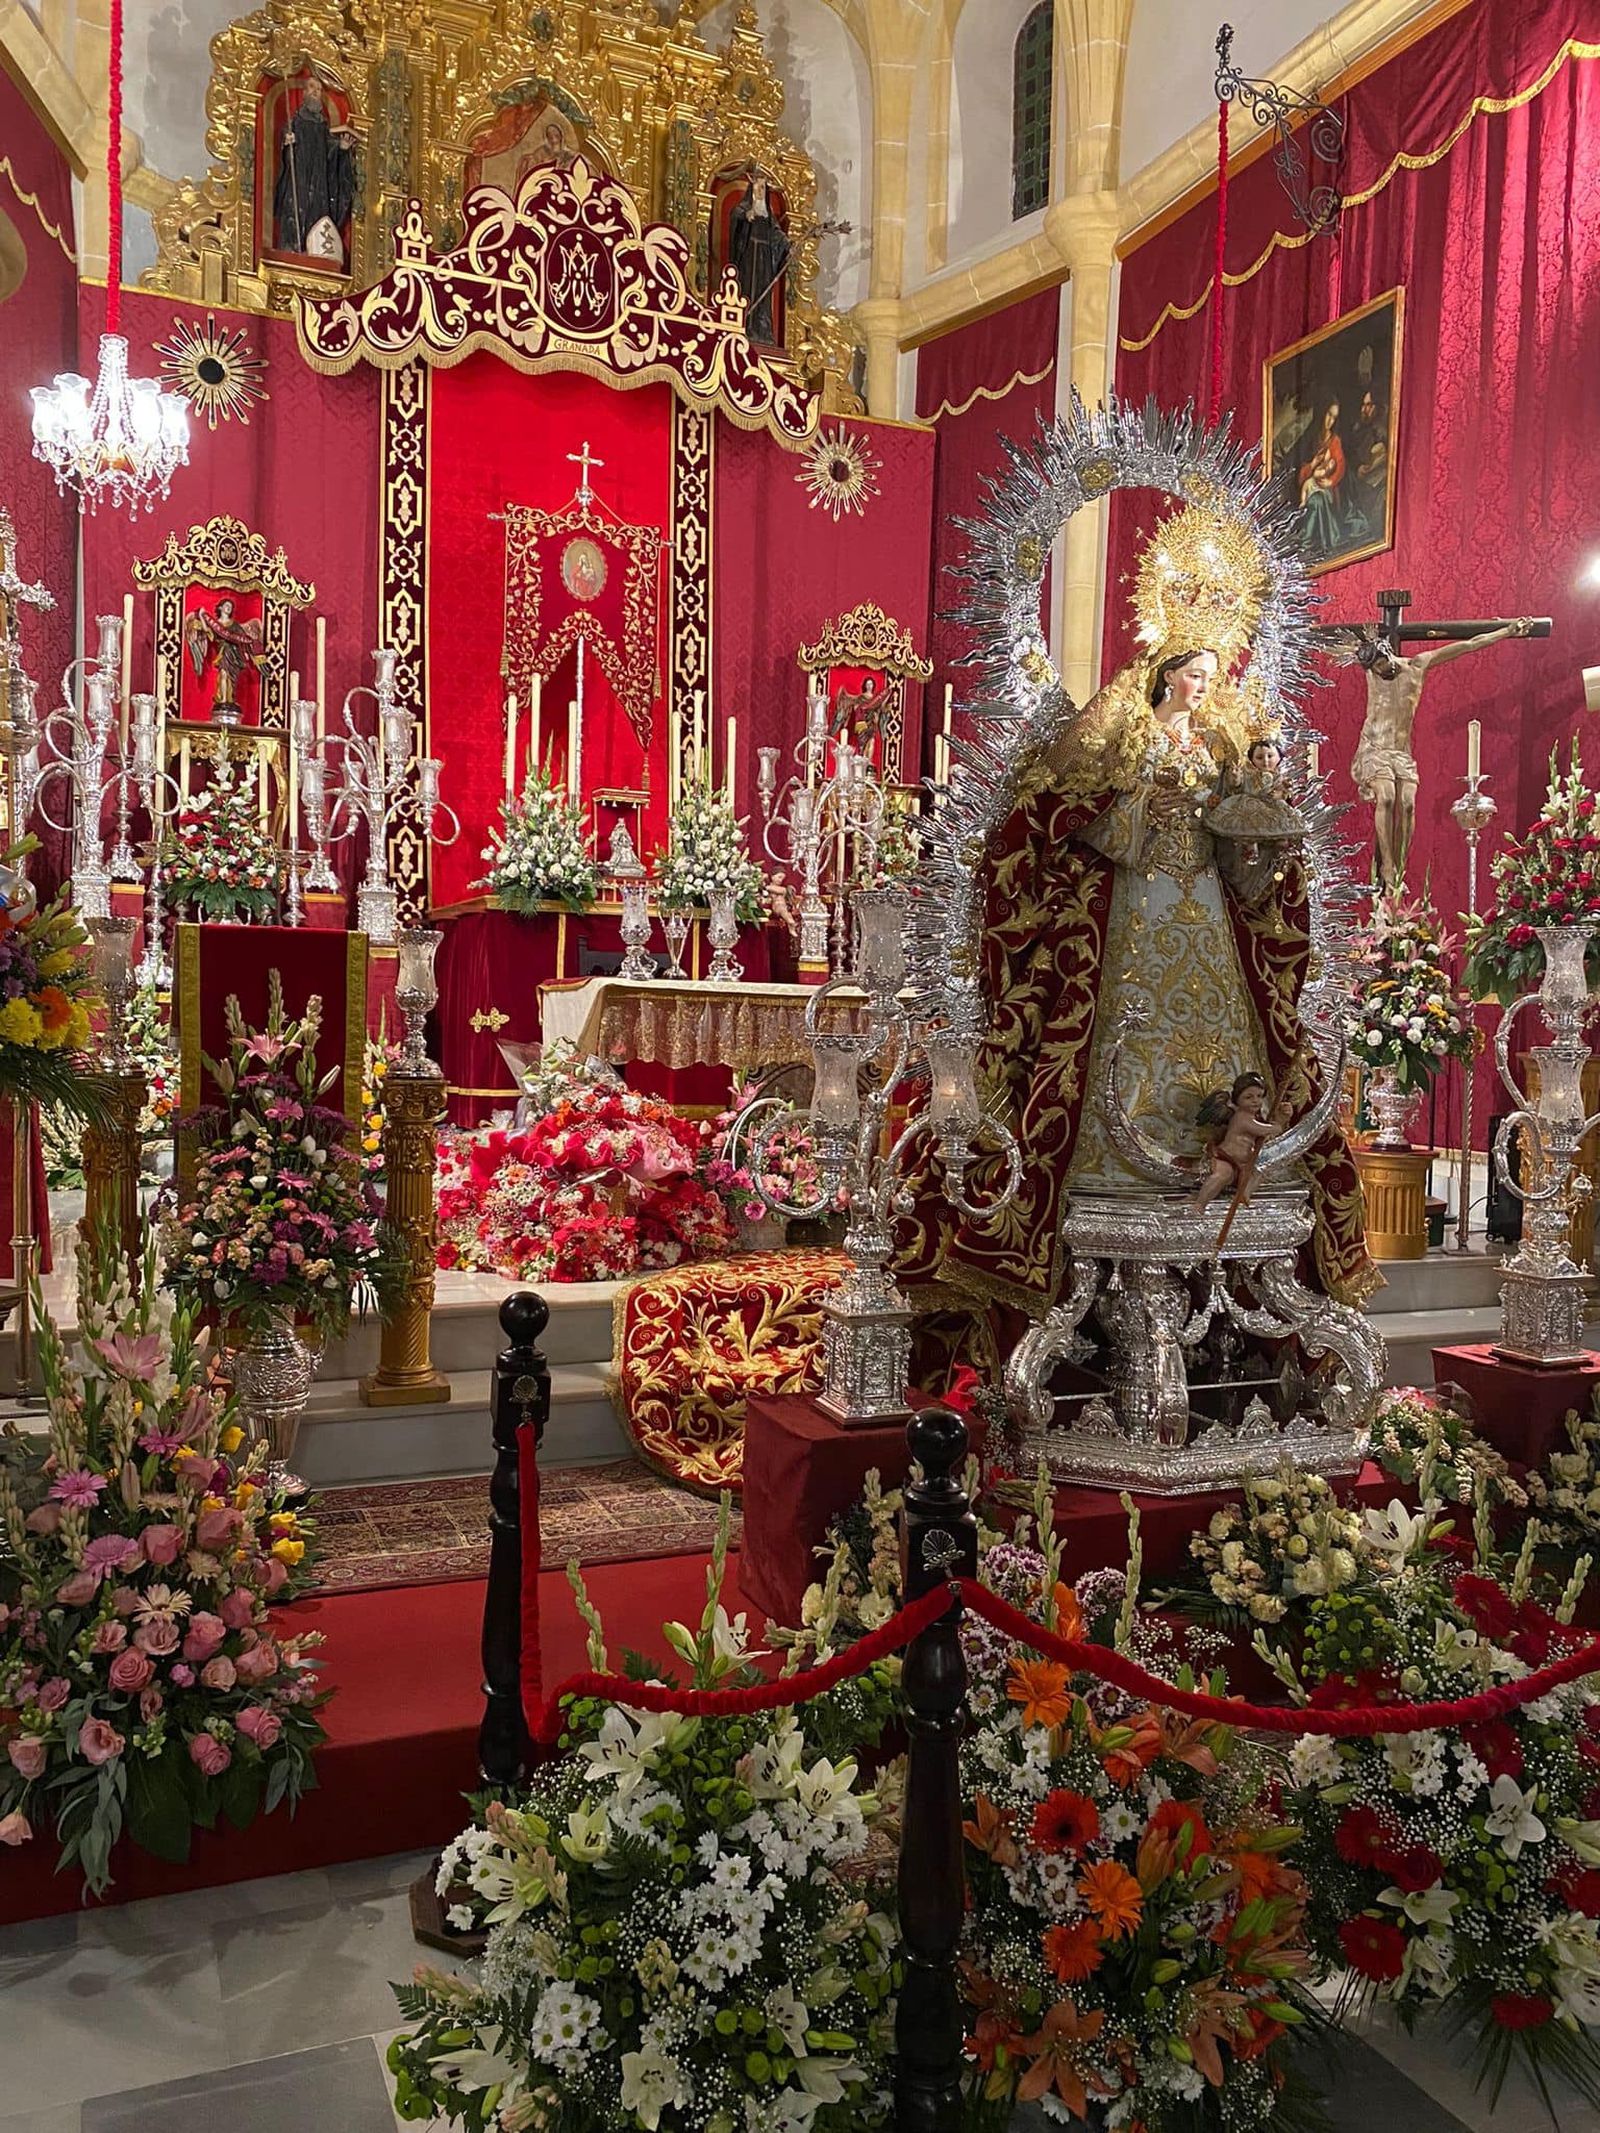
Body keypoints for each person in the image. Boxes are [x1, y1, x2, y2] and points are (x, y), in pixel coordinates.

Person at [895, 504, 1377, 1338]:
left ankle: (1222, 1164)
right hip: (1134, 915)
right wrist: (1142, 808)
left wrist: (1253, 838)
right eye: (1193, 671)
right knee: (1115, 1030)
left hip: (1210, 919)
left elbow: (1250, 855)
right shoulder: (1122, 733)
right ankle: (1106, 1172)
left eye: (1213, 672)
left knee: (1236, 1033)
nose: (1204, 684)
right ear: (1165, 672)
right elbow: (1065, 813)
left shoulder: (1223, 747)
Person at [1352, 619, 1533, 891]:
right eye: (1374, 668)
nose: (1380, 671)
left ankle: (1399, 870)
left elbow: (1468, 645)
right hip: (1374, 748)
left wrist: (1507, 631)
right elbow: (1332, 643)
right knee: (1387, 797)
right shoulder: (1371, 673)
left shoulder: (1417, 666)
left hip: (1400, 752)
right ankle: (1387, 867)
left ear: (1388, 654)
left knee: (1408, 804)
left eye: (1382, 664)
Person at [273, 74, 355, 263]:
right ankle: (292, 253)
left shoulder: (324, 129)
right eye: (312, 87)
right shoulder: (294, 123)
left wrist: (342, 149)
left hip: (319, 189)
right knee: (294, 218)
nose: (315, 92)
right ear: (304, 92)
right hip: (298, 183)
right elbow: (283, 156)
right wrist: (287, 142)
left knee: (316, 222)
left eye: (319, 89)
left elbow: (331, 160)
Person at [728, 169, 789, 344]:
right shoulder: (744, 208)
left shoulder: (768, 213)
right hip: (748, 255)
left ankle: (762, 329)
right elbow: (735, 218)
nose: (761, 191)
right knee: (747, 288)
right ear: (752, 188)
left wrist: (787, 244)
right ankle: (745, 325)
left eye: (763, 187)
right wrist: (745, 217)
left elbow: (776, 232)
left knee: (763, 293)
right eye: (758, 187)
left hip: (764, 258)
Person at [1297, 401, 1346, 560]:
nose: (1330, 421)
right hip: (1311, 486)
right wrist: (1312, 465)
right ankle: (1309, 544)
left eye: (1334, 418)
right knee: (1314, 500)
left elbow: (1340, 466)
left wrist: (1331, 481)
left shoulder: (1335, 441)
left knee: (1317, 500)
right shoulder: (1310, 439)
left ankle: (1313, 543)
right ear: (1322, 413)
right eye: (1329, 415)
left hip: (1327, 489)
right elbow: (1300, 476)